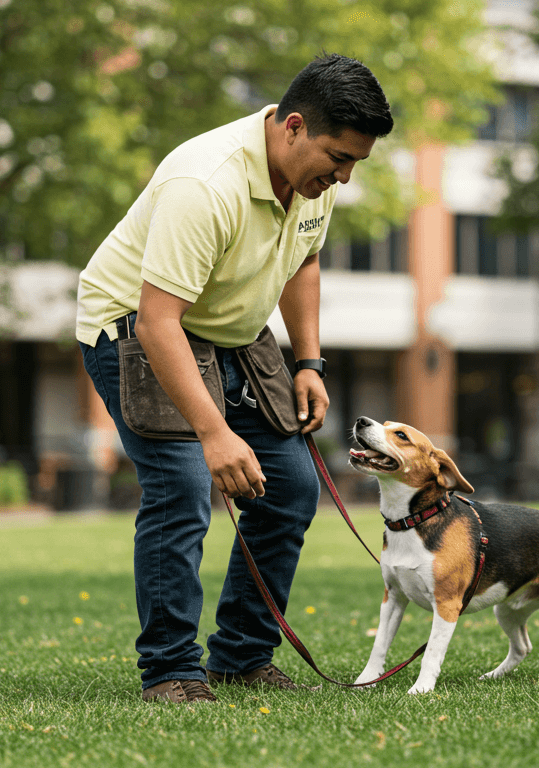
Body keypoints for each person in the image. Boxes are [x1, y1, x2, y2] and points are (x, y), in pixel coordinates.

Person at [75, 53, 393, 703]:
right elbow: (160, 321)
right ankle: (170, 670)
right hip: (135, 328)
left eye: (356, 162)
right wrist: (214, 434)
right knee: (184, 485)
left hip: (232, 332)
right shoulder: (205, 183)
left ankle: (241, 656)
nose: (345, 176)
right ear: (294, 127)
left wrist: (308, 362)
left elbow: (303, 261)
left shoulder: (313, 182)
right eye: (339, 157)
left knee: (292, 485)